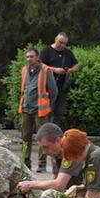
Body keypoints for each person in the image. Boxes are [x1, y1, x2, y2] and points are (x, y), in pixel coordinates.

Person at [39, 32, 79, 172]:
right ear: (55, 39)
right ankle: (42, 161)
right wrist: (54, 70)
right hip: (48, 88)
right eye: (60, 42)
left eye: (64, 43)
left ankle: (57, 154)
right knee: (46, 122)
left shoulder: (68, 53)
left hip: (62, 89)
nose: (62, 45)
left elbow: (76, 66)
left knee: (58, 117)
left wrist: (69, 70)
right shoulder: (47, 51)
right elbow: (40, 65)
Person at [18, 47, 58, 170]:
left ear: (37, 57)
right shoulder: (24, 70)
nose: (29, 59)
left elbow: (53, 91)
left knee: (43, 137)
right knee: (25, 136)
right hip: (26, 108)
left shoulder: (46, 70)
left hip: (40, 110)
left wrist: (49, 105)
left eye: (32, 56)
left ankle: (42, 163)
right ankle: (25, 162)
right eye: (27, 57)